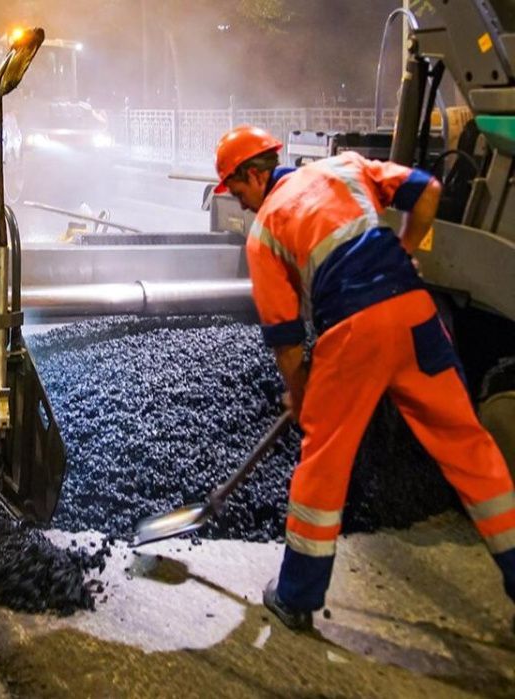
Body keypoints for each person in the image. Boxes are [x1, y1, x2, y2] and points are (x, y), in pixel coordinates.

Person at [215, 125, 515, 632]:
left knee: (324, 461)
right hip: (417, 316)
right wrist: (405, 246)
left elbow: (286, 337)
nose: (239, 201)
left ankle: (296, 594)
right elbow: (427, 189)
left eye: (236, 187)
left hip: (356, 332)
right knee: (469, 448)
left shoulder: (265, 229)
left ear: (254, 173)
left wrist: (301, 391)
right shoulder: (344, 167)